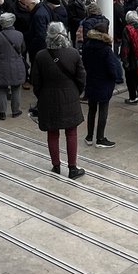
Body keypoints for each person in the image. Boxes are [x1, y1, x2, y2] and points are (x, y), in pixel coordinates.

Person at [31, 22, 87, 178]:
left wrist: (41, 95)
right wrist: (76, 92)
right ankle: (72, 168)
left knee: (52, 133)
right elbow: (82, 78)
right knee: (71, 133)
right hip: (70, 97)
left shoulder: (41, 56)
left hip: (48, 99)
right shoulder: (73, 54)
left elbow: (36, 81)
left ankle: (56, 165)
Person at [82, 21, 121, 148]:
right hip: (104, 83)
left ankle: (89, 136)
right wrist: (115, 77)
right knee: (103, 110)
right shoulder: (106, 49)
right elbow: (111, 68)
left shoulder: (87, 45)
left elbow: (84, 63)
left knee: (91, 109)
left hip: (91, 80)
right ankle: (100, 138)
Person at [0, 12, 27, 120]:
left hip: (1, 65)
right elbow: (23, 49)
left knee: (1, 89)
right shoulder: (19, 34)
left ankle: (2, 112)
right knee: (16, 88)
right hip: (16, 64)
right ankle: (15, 111)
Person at [120, 9, 138, 104]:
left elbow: (125, 47)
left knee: (130, 78)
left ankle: (132, 97)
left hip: (131, 58)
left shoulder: (127, 29)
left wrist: (124, 60)